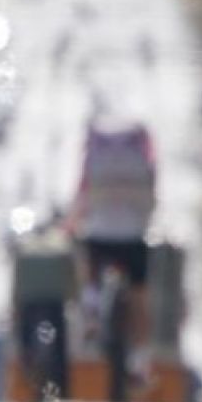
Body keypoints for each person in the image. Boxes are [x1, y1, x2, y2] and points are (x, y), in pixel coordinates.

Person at [67, 118, 157, 388]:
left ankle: (92, 312)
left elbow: (82, 196)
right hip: (133, 235)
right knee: (139, 295)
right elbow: (152, 198)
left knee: (90, 276)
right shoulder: (141, 157)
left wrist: (73, 223)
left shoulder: (95, 157)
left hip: (99, 233)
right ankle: (140, 360)